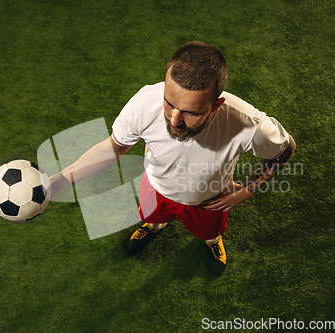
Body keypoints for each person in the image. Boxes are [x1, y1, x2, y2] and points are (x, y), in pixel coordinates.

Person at [49, 41, 296, 276]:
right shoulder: (145, 102)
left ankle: (212, 241)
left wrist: (248, 189)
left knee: (210, 232)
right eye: (169, 103)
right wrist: (59, 181)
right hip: (155, 187)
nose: (174, 120)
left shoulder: (247, 124)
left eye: (191, 112)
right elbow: (114, 147)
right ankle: (155, 227)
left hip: (209, 198)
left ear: (217, 105)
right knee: (152, 218)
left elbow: (285, 149)